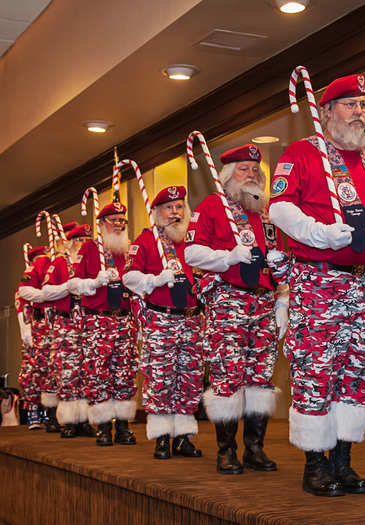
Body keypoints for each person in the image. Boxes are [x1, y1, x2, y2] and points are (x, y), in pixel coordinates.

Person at [268, 74, 365, 496]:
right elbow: (279, 209)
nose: (360, 112)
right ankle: (314, 464)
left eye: (363, 105)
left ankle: (343, 462)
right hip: (320, 280)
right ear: (328, 111)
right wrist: (320, 233)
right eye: (351, 104)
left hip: (362, 284)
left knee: (355, 371)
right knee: (318, 369)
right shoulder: (303, 153)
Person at [185, 145, 288, 474]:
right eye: (244, 169)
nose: (253, 174)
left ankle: (254, 448)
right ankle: (225, 449)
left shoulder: (266, 213)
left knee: (261, 377)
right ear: (228, 174)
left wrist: (283, 300)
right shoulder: (213, 206)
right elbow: (192, 254)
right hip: (229, 299)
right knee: (228, 376)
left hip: (264, 300)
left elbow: (279, 261)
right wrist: (229, 257)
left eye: (256, 169)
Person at [123, 185, 204, 460]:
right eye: (169, 208)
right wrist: (155, 280)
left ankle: (183, 437)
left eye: (179, 206)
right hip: (161, 319)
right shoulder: (146, 239)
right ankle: (161, 437)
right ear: (157, 212)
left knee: (190, 379)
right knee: (160, 378)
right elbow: (129, 277)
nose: (175, 212)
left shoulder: (193, 239)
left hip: (192, 320)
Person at [68, 201, 138, 446]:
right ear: (101, 224)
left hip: (124, 320)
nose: (119, 225)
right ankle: (103, 426)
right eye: (114, 220)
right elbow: (73, 285)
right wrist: (95, 282)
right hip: (98, 321)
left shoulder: (129, 249)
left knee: (124, 373)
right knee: (99, 374)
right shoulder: (89, 248)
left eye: (122, 221)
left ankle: (122, 426)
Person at [40, 224, 96, 438]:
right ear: (72, 243)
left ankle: (84, 420)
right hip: (66, 326)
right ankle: (69, 420)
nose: (85, 245)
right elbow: (46, 291)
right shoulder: (59, 263)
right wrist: (67, 287)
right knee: (67, 372)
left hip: (88, 324)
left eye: (87, 241)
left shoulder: (92, 264)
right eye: (81, 240)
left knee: (87, 372)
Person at [18, 244, 57, 431]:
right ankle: (34, 412)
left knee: (52, 370)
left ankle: (51, 413)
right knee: (33, 372)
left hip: (53, 325)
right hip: (36, 328)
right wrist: (26, 333)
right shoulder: (32, 274)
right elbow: (21, 308)